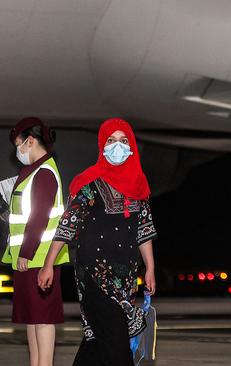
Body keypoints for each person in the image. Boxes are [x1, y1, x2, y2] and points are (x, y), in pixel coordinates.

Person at [38, 118, 157, 366]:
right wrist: (49, 264)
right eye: (111, 141)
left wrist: (151, 268)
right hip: (95, 275)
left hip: (125, 276)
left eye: (123, 141)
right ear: (102, 145)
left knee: (96, 344)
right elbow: (67, 226)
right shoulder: (89, 184)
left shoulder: (139, 186)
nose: (118, 146)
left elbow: (143, 231)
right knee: (117, 346)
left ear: (132, 146)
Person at [2, 117, 68, 366]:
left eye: (18, 144)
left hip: (39, 259)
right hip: (29, 259)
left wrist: (26, 253)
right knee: (32, 319)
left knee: (43, 320)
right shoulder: (30, 173)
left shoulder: (45, 173)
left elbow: (40, 218)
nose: (17, 151)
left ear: (30, 141)